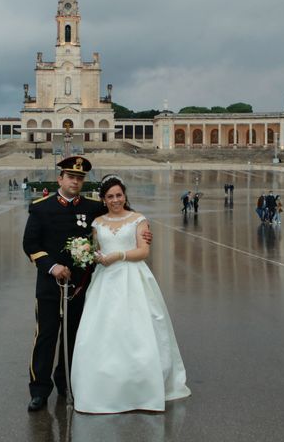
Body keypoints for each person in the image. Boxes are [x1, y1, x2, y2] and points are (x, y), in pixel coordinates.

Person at [22, 160, 151, 413]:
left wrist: (143, 232)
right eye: (70, 177)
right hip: (50, 284)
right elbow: (30, 245)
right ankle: (39, 390)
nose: (75, 182)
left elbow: (119, 215)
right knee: (46, 336)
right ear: (60, 179)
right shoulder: (41, 208)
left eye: (80, 178)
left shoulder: (93, 208)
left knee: (75, 336)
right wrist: (52, 266)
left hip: (81, 285)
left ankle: (67, 381)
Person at [71, 175, 191, 413]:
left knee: (136, 331)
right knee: (104, 332)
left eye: (119, 195)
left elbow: (143, 251)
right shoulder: (97, 223)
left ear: (124, 195)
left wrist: (118, 256)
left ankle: (140, 386)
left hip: (132, 277)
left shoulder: (138, 219)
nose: (115, 200)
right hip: (105, 281)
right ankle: (105, 387)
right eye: (110, 196)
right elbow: (96, 250)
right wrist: (87, 254)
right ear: (103, 200)